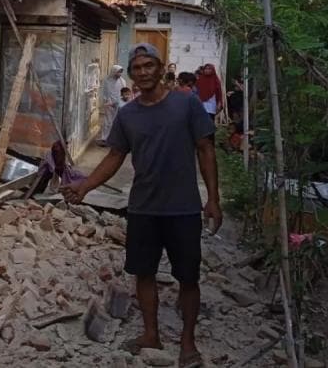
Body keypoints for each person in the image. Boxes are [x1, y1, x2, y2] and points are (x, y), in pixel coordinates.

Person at [62, 43, 221, 368]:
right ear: (131, 74)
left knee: (188, 278)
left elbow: (205, 149)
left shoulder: (186, 104)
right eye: (138, 68)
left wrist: (214, 200)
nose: (144, 72)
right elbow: (115, 156)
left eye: (150, 66)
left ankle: (187, 343)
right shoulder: (128, 114)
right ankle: (152, 334)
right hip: (143, 209)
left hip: (184, 209)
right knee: (144, 274)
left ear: (161, 68)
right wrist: (85, 186)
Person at [99, 65, 126, 146]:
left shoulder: (122, 81)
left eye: (121, 72)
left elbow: (124, 92)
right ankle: (105, 138)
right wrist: (106, 101)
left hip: (118, 104)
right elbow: (104, 92)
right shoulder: (107, 81)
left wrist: (122, 102)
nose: (120, 74)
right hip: (109, 104)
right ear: (114, 71)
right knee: (107, 121)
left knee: (117, 121)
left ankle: (115, 139)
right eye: (118, 72)